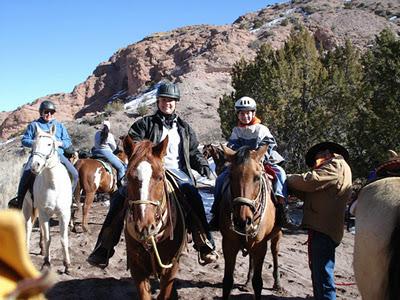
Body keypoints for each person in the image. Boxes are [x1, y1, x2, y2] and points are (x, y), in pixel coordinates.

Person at [87, 82, 218, 268]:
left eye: (171, 100)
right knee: (119, 198)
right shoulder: (144, 124)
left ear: (176, 102)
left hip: (177, 171)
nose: (167, 103)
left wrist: (203, 165)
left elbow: (193, 152)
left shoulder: (185, 128)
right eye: (164, 100)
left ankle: (204, 242)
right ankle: (104, 247)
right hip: (149, 171)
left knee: (194, 196)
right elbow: (133, 144)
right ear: (158, 101)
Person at [209, 96, 295, 229]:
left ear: (253, 113)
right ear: (238, 115)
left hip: (261, 161)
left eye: (248, 113)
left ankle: (282, 209)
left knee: (280, 174)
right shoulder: (236, 130)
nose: (245, 116)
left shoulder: (261, 129)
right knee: (221, 179)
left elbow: (269, 145)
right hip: (241, 164)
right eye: (242, 113)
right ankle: (216, 211)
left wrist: (259, 156)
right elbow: (232, 146)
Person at [286, 141, 352, 300]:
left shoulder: (335, 165)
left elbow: (311, 181)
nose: (315, 164)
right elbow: (312, 193)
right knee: (319, 271)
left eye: (316, 159)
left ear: (327, 154)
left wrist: (285, 177)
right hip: (323, 226)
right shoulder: (337, 168)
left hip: (323, 227)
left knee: (322, 274)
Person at [15, 100, 79, 209]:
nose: (49, 114)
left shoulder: (59, 126)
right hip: (38, 155)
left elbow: (67, 141)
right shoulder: (34, 125)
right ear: (41, 112)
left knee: (74, 174)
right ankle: (19, 200)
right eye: (46, 112)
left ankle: (71, 198)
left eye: (51, 112)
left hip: (57, 155)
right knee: (26, 174)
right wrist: (36, 142)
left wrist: (61, 143)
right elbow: (25, 140)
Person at [91, 120, 127, 187]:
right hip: (106, 153)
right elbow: (114, 147)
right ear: (109, 127)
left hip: (95, 152)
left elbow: (95, 145)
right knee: (121, 167)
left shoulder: (97, 134)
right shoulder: (109, 135)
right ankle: (121, 187)